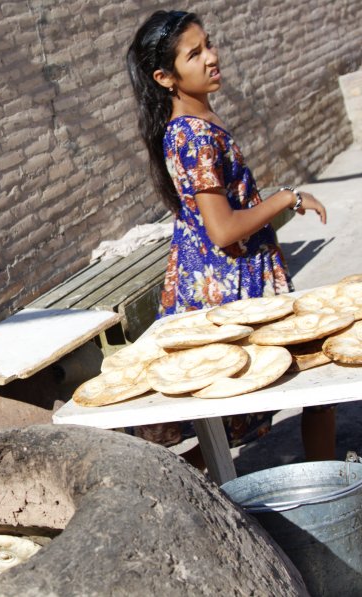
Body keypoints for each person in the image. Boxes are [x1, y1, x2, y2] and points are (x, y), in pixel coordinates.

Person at [125, 11, 335, 467]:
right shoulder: (193, 136)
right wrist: (285, 199)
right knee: (276, 391)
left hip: (230, 274)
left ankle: (333, 482)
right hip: (229, 286)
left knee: (246, 408)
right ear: (165, 77)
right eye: (194, 54)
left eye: (209, 45)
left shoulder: (197, 122)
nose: (212, 58)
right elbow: (222, 230)